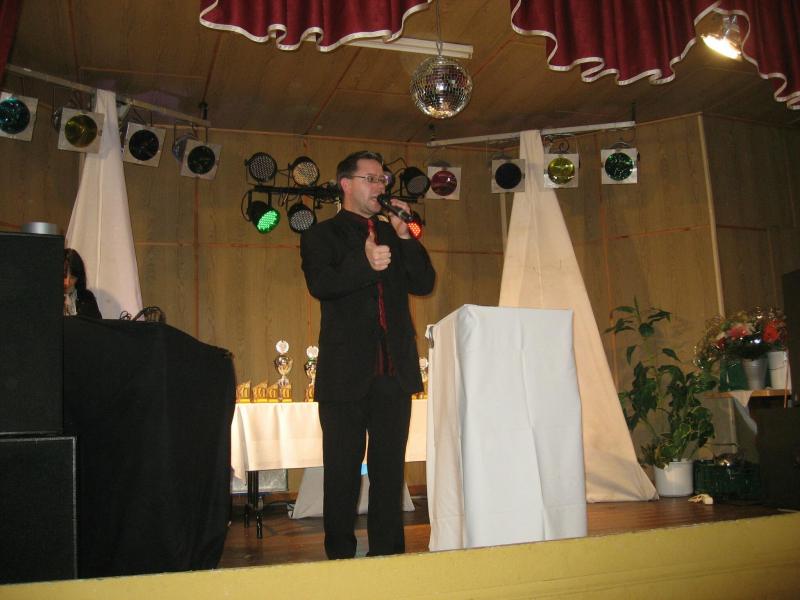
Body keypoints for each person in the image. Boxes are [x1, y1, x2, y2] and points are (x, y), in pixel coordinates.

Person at [300, 150, 436, 559]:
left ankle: (387, 557)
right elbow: (321, 284)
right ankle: (340, 559)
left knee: (388, 472)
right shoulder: (320, 236)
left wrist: (405, 235)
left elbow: (424, 283)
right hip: (344, 375)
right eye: (371, 179)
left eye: (383, 180)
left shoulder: (393, 234)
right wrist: (365, 264)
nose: (380, 186)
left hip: (393, 373)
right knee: (341, 472)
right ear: (346, 184)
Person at [63, 248, 102, 318]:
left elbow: (97, 324)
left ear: (79, 277)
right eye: (64, 276)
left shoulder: (87, 298)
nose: (67, 282)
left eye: (72, 277)